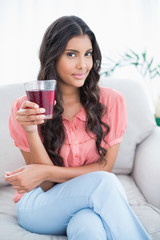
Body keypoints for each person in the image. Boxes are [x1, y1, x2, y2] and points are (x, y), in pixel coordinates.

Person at [5, 16, 151, 240]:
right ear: (52, 56)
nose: (83, 64)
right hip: (40, 205)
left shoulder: (112, 102)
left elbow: (104, 167)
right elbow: (45, 184)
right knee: (105, 183)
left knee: (88, 225)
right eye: (71, 54)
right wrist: (32, 131)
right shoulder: (25, 107)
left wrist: (45, 170)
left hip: (86, 202)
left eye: (88, 54)